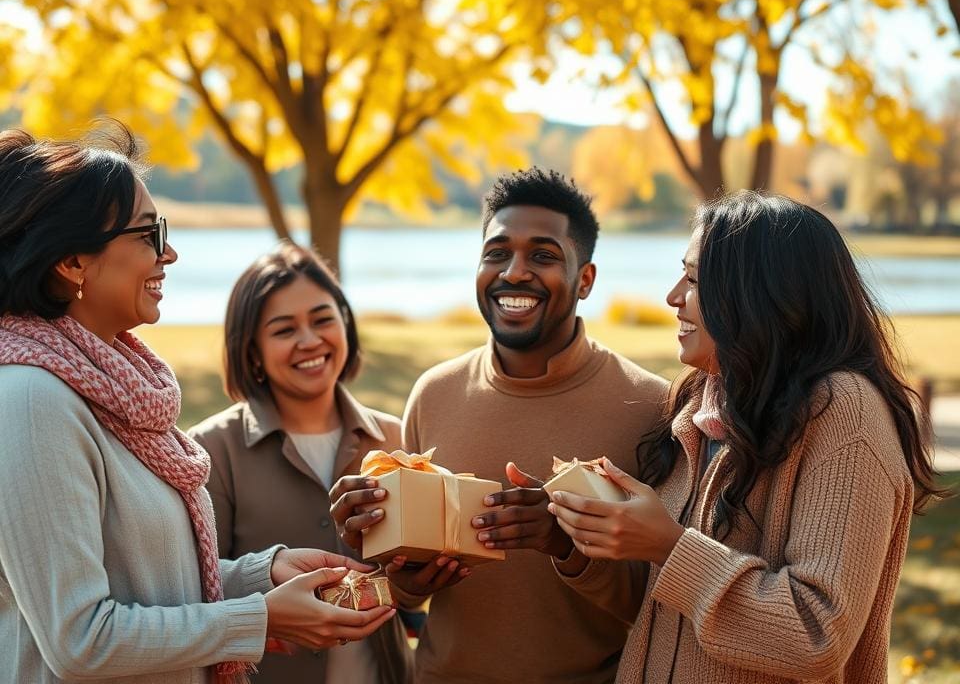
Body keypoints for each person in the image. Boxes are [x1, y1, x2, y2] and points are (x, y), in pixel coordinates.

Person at [0, 125, 396, 684]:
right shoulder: (32, 401)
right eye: (147, 234)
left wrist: (265, 574)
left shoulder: (115, 392)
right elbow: (79, 641)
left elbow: (148, 586)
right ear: (72, 262)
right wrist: (257, 619)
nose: (170, 252)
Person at [544, 191, 943, 683]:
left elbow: (817, 635)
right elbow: (668, 607)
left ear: (757, 291)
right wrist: (572, 536)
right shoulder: (701, 407)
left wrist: (670, 546)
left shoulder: (844, 412)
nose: (672, 297)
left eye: (693, 279)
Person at [331, 168, 669, 683]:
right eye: (496, 252)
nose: (514, 272)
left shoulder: (649, 406)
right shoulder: (434, 392)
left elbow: (662, 604)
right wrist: (394, 564)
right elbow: (404, 593)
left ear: (586, 279)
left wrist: (567, 545)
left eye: (543, 255)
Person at [188, 243, 413, 684]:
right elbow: (195, 593)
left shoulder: (396, 439)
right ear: (251, 349)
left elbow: (413, 590)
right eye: (284, 329)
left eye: (323, 319)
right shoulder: (210, 450)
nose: (310, 341)